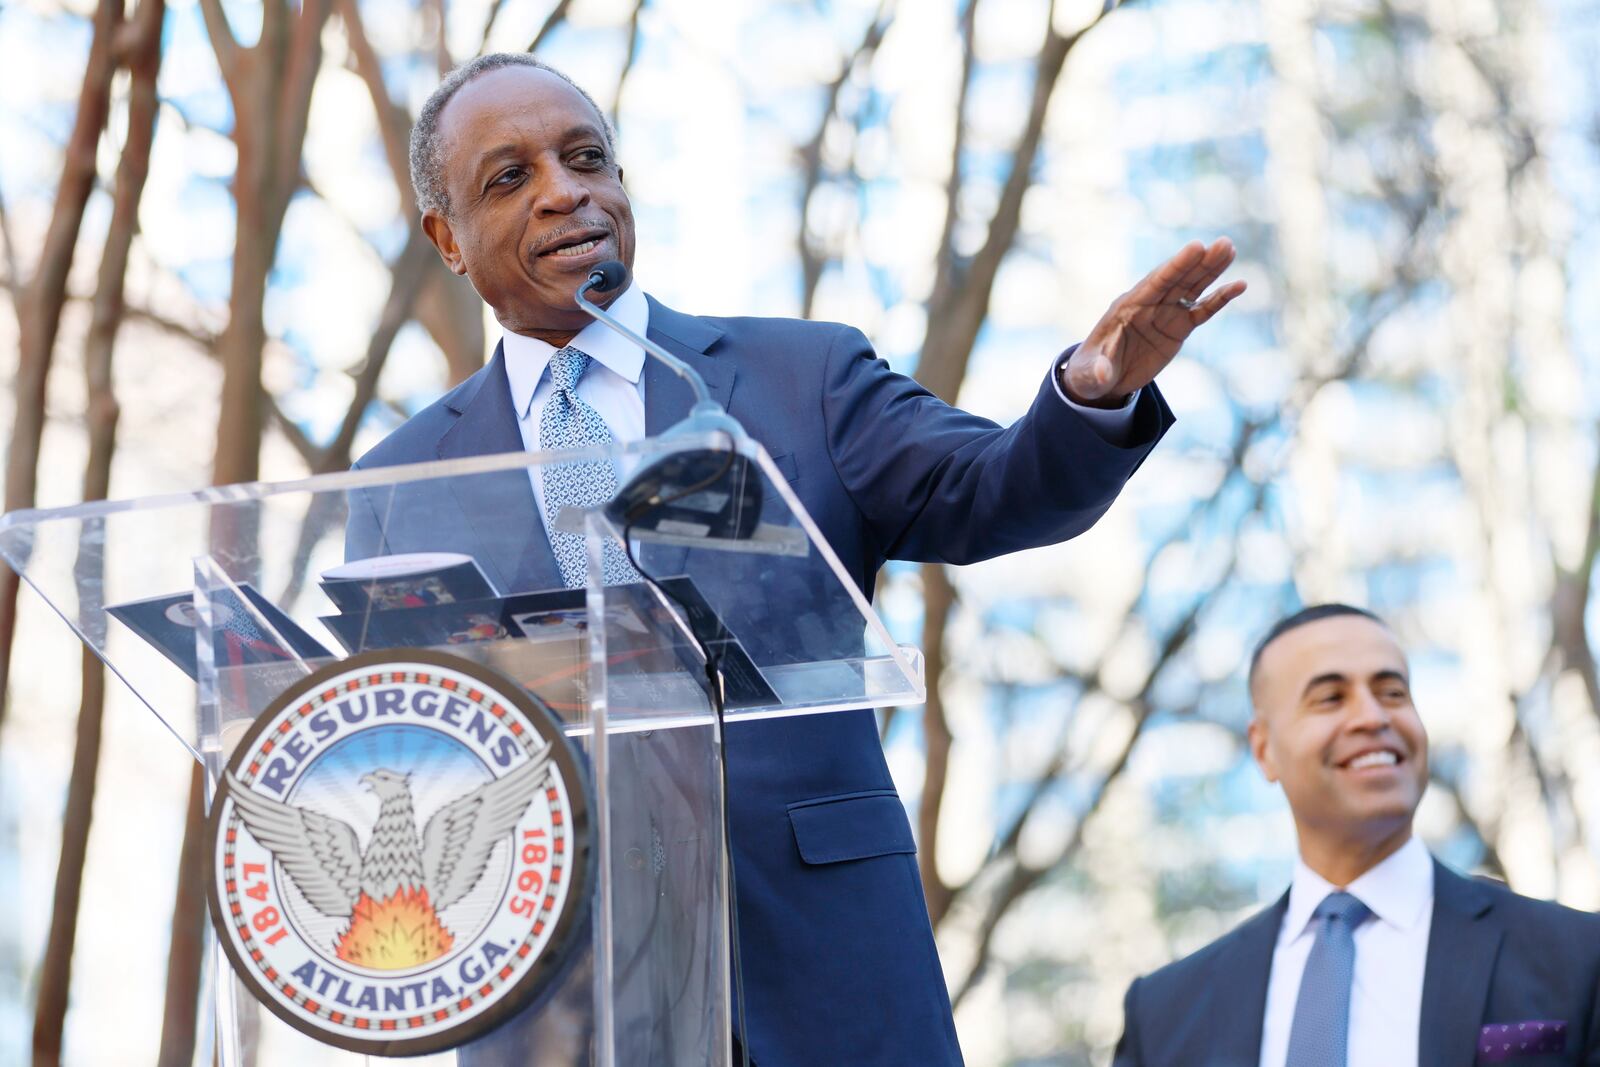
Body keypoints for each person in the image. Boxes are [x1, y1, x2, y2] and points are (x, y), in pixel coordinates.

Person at [348, 52, 1245, 1066]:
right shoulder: (397, 486)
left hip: (823, 979)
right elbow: (400, 764)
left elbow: (994, 488)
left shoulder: (796, 378)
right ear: (446, 238)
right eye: (509, 178)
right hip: (565, 1007)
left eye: (586, 157)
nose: (565, 192)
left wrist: (1090, 391)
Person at [1114, 604, 1600, 1067]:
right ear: (1263, 749)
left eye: (1392, 693)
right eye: (1330, 698)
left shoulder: (1579, 956)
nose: (1373, 717)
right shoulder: (1164, 1015)